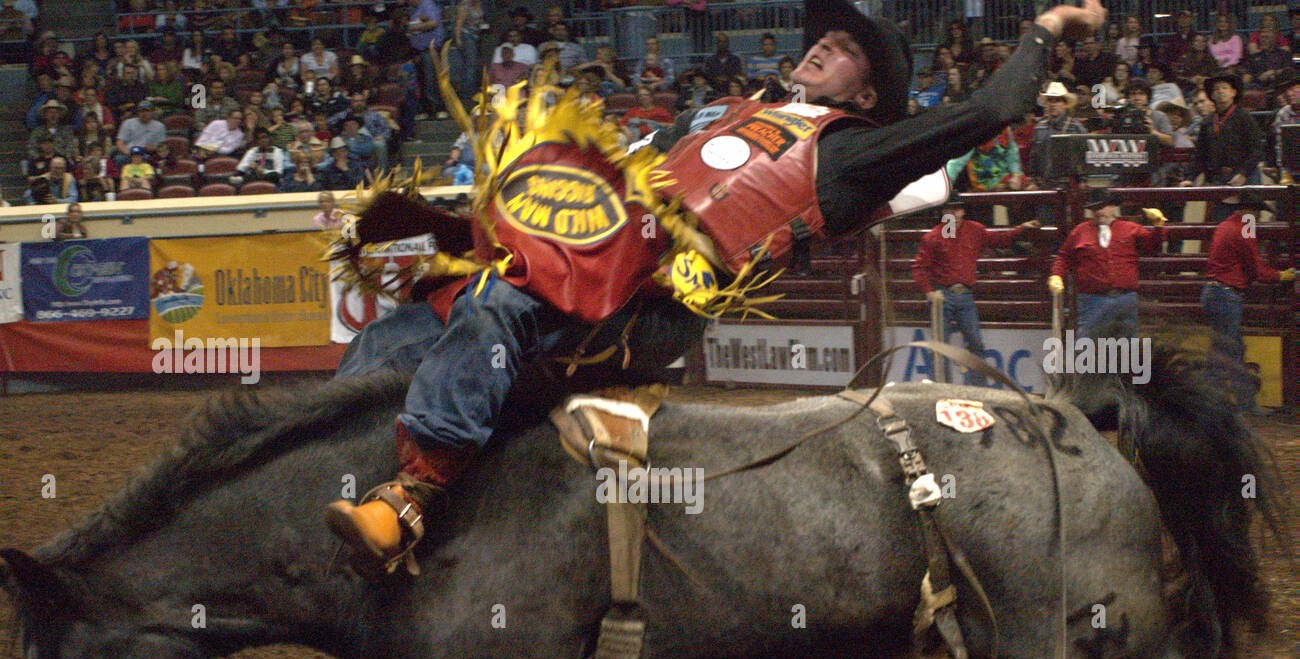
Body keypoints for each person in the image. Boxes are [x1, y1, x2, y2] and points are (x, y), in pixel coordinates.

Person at [325, 0, 1109, 577]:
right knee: (396, 333)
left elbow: (996, 108)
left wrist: (1045, 29)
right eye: (824, 40)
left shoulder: (855, 154)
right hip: (604, 268)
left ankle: (409, 501)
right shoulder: (732, 118)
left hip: (656, 307)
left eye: (842, 51)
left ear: (868, 97)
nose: (823, 45)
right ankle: (314, 470)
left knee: (499, 306)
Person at [912, 194, 1039, 384]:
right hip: (947, 295)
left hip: (958, 294)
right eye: (948, 211)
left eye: (955, 210)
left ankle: (971, 386)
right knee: (943, 345)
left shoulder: (968, 231)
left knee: (972, 342)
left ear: (962, 211)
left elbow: (999, 239)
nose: (952, 214)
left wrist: (1021, 229)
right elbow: (919, 267)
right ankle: (945, 387)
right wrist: (930, 292)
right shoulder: (935, 237)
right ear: (943, 213)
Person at [1200, 189, 1295, 397]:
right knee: (1231, 350)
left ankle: (1207, 398)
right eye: (1257, 212)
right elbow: (1257, 269)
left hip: (1214, 292)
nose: (1259, 217)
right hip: (1225, 295)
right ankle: (1244, 403)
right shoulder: (1245, 229)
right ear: (1251, 212)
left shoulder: (1225, 225)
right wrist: (1280, 276)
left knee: (1222, 350)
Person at [1049, 191, 1165, 345]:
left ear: (1112, 207)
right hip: (1094, 298)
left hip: (1122, 297)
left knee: (1126, 346)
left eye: (1102, 207)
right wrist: (1056, 275)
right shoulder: (1080, 231)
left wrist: (1158, 227)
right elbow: (1064, 257)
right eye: (1095, 208)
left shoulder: (1130, 229)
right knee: (1089, 345)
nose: (1099, 212)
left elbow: (1153, 247)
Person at [1185, 71, 1262, 187]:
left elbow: (1257, 149)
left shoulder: (1244, 117)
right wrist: (1190, 178)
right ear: (1212, 96)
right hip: (1218, 177)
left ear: (1233, 92)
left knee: (1249, 205)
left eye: (1225, 88)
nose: (1220, 91)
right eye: (1216, 89)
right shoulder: (1208, 121)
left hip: (1245, 176)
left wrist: (1243, 174)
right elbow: (1200, 153)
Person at [1026, 81, 1084, 181]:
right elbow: (1034, 158)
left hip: (1068, 184)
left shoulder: (1076, 127)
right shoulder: (1039, 128)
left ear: (1064, 104)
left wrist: (1082, 180)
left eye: (1057, 100)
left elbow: (1083, 158)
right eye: (1050, 100)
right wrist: (1033, 179)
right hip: (1043, 183)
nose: (1052, 104)